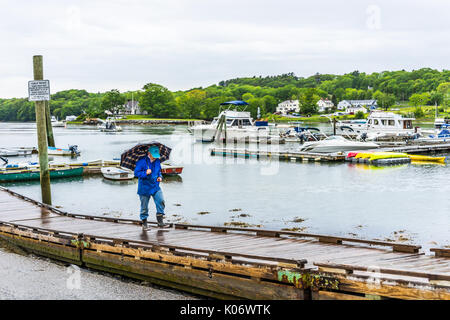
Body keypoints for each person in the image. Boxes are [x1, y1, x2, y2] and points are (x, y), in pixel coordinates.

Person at [134, 145, 169, 230]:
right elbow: (136, 173)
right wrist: (145, 173)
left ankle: (160, 222)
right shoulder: (141, 162)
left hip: (155, 186)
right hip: (144, 188)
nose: (155, 158)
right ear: (149, 153)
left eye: (157, 156)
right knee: (144, 207)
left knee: (161, 201)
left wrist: (160, 177)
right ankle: (144, 224)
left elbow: (159, 172)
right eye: (154, 156)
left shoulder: (157, 161)